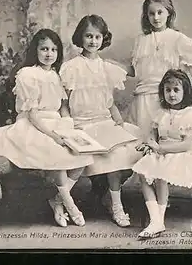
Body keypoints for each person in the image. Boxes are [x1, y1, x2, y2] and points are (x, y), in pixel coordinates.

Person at [0, 29, 93, 228]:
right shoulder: (27, 74)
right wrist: (53, 135)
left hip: (56, 123)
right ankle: (70, 205)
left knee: (83, 157)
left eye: (53, 49)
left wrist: (69, 127)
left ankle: (58, 201)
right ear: (36, 50)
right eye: (44, 49)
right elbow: (33, 114)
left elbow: (62, 108)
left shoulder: (55, 76)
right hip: (33, 125)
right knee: (58, 155)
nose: (49, 54)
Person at [60, 15, 144, 227]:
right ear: (80, 37)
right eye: (88, 36)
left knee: (124, 147)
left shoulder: (107, 68)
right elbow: (64, 103)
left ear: (103, 39)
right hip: (82, 124)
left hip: (104, 121)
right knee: (109, 151)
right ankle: (61, 198)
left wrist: (120, 124)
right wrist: (67, 125)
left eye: (98, 36)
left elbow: (109, 103)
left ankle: (116, 203)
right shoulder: (72, 67)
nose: (93, 41)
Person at [132, 69, 192, 239]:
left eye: (176, 90)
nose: (171, 94)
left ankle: (158, 220)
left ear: (185, 91)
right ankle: (156, 220)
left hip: (186, 155)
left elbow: (186, 145)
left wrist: (160, 149)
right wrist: (149, 143)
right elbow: (153, 134)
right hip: (163, 153)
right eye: (167, 90)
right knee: (143, 173)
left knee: (161, 173)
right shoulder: (161, 113)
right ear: (162, 91)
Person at [121, 0, 192, 140]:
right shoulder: (140, 40)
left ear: (169, 13)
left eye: (160, 12)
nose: (156, 17)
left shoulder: (177, 38)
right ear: (146, 16)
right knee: (141, 138)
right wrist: (109, 67)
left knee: (164, 137)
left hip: (167, 97)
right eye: (151, 13)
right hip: (143, 99)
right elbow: (134, 70)